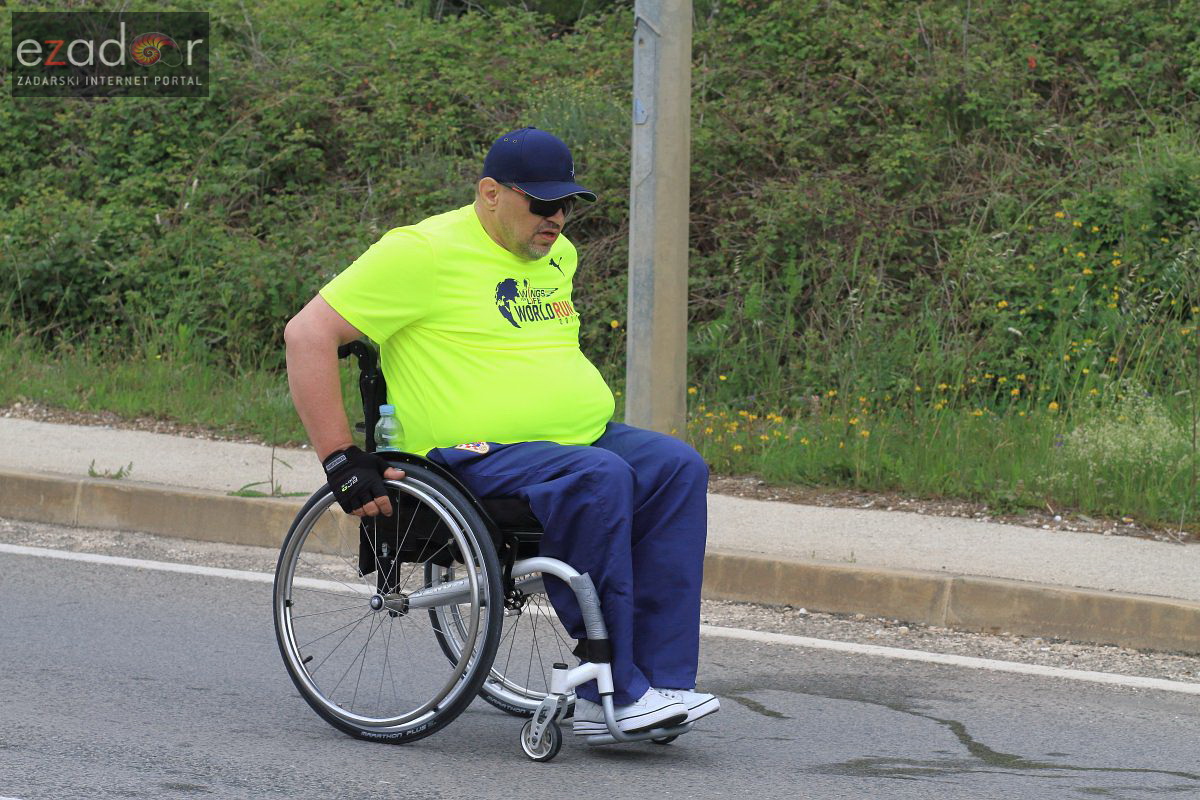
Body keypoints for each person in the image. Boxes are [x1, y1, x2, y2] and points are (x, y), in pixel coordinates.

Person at [284, 127, 717, 736]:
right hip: (469, 455)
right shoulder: (421, 253)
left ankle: (664, 681)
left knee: (678, 467)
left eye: (567, 204)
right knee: (599, 478)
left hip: (572, 440)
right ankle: (611, 684)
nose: (558, 218)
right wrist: (339, 458)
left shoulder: (557, 255)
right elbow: (307, 335)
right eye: (542, 204)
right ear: (490, 193)